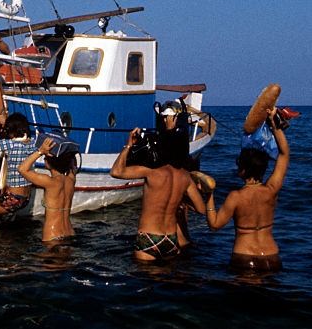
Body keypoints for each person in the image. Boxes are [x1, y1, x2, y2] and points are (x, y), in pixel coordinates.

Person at [205, 109, 289, 272]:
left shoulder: (236, 197)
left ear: (243, 170)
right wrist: (274, 126)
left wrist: (209, 195)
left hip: (245, 258)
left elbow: (214, 225)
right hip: (272, 257)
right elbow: (284, 155)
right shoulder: (271, 190)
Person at [110, 127, 207, 262]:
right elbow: (202, 209)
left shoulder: (152, 172)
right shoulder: (185, 177)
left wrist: (128, 145)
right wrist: (182, 201)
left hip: (149, 236)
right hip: (171, 239)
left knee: (147, 281)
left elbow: (116, 171)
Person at [18, 136, 78, 242]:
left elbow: (22, 169)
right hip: (70, 232)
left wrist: (40, 151)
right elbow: (73, 164)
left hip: (53, 233)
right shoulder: (71, 180)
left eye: (45, 158)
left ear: (48, 162)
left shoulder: (50, 182)